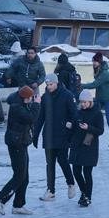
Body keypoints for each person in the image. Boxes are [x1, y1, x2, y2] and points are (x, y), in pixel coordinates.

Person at [0, 86, 39, 215]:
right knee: (19, 175)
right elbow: (31, 118)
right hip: (16, 143)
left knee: (25, 177)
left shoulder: (20, 103)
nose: (32, 100)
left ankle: (18, 205)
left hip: (21, 142)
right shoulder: (17, 107)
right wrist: (36, 105)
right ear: (25, 98)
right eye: (31, 98)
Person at [33, 73, 78, 201]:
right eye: (47, 85)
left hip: (63, 134)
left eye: (51, 84)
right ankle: (51, 190)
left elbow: (74, 114)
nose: (49, 87)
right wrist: (35, 135)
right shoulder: (45, 97)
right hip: (48, 134)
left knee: (63, 160)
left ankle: (71, 184)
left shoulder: (67, 95)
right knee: (50, 163)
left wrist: (71, 127)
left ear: (56, 83)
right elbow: (40, 117)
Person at [81, 52, 109, 150]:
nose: (94, 63)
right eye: (93, 61)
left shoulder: (104, 73)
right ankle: (89, 137)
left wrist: (80, 85)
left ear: (99, 62)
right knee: (93, 117)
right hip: (99, 98)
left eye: (95, 62)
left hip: (108, 98)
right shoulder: (101, 70)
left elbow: (94, 84)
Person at [68, 89, 104, 207]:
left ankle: (87, 196)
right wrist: (71, 125)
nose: (82, 104)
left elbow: (100, 130)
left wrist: (88, 128)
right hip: (77, 146)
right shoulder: (78, 112)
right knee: (76, 171)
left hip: (89, 146)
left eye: (85, 102)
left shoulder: (97, 113)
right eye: (81, 102)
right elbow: (74, 126)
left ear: (90, 101)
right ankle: (84, 193)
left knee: (87, 172)